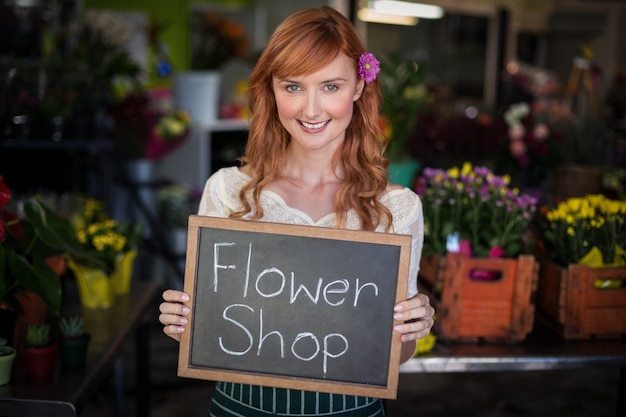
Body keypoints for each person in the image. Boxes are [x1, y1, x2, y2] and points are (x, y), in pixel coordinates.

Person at [159, 6, 435, 416]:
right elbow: (209, 336)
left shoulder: (395, 209)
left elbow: (395, 353)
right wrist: (182, 324)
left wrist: (412, 328)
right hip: (241, 407)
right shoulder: (228, 192)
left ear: (359, 87)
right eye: (292, 87)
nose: (310, 110)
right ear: (271, 89)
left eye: (330, 86)